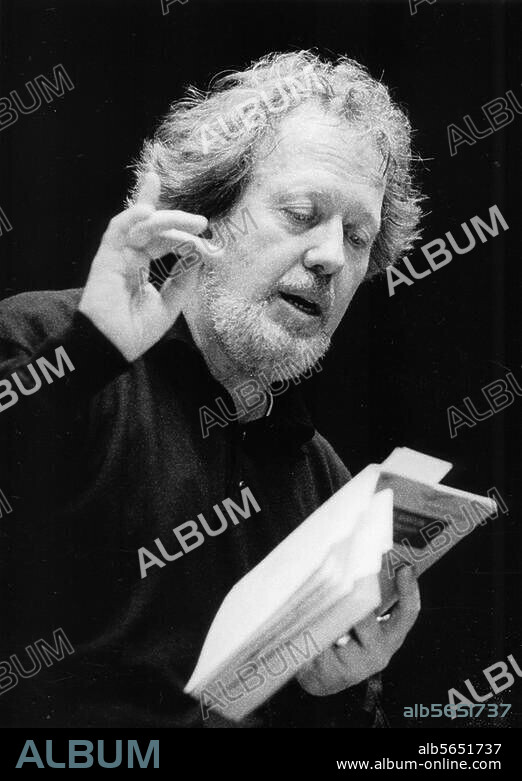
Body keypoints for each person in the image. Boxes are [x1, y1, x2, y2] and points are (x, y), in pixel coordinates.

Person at [0, 50, 423, 728]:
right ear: (207, 214)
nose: (331, 257)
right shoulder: (39, 340)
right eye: (300, 212)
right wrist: (85, 357)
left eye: (357, 236)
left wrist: (340, 695)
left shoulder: (329, 488)